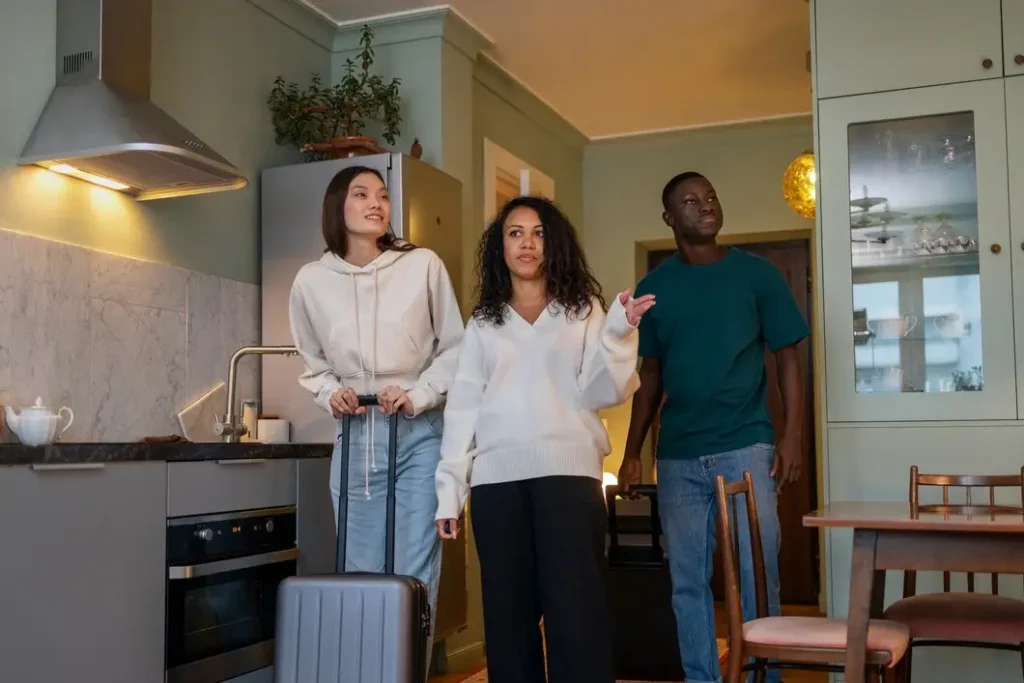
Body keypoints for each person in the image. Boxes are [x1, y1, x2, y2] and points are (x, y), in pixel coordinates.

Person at [434, 196, 655, 683]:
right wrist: (449, 492)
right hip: (496, 484)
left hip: (569, 479)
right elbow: (463, 409)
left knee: (578, 616)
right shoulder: (484, 323)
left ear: (554, 244)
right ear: (501, 247)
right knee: (508, 620)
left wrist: (619, 333)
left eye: (538, 233)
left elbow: (604, 390)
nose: (527, 244)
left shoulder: (584, 311)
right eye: (515, 233)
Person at [619, 172, 808, 683]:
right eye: (691, 201)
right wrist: (632, 451)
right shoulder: (655, 289)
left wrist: (791, 436)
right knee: (687, 582)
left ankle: (762, 677)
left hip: (745, 446)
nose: (705, 206)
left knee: (757, 575)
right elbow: (650, 375)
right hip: (677, 455)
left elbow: (788, 356)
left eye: (710, 197)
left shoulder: (757, 275)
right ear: (669, 218)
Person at [288, 164, 464, 663]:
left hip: (419, 434)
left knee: (413, 573)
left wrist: (418, 394)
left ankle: (408, 672)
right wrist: (331, 394)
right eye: (361, 194)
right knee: (360, 572)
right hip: (358, 440)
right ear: (336, 207)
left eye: (383, 195)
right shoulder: (311, 281)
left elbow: (455, 348)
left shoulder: (422, 265)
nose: (376, 203)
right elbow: (314, 365)